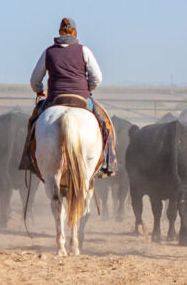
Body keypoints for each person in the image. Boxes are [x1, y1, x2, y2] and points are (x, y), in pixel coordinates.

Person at [20, 17, 115, 177]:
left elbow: (34, 80)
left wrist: (40, 91)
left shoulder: (49, 52)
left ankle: (29, 158)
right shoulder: (84, 50)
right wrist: (86, 88)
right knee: (104, 124)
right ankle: (108, 162)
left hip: (55, 98)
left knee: (33, 122)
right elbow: (97, 77)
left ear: (59, 32)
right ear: (75, 32)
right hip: (82, 97)